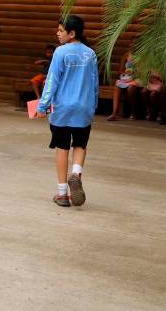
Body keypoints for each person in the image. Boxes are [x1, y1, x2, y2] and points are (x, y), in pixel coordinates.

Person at [36, 15, 99, 208]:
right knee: (80, 144)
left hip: (62, 109)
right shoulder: (90, 54)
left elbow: (52, 80)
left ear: (72, 34)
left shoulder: (60, 52)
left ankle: (62, 194)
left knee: (62, 148)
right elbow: (95, 83)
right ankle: (76, 174)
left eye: (61, 30)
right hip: (83, 109)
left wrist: (42, 106)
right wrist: (93, 106)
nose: (57, 33)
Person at [108, 51, 140, 121]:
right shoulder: (127, 55)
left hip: (137, 79)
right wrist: (125, 73)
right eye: (132, 43)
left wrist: (135, 73)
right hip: (127, 78)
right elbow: (121, 70)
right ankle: (115, 113)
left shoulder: (142, 54)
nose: (133, 45)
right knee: (117, 85)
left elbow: (144, 71)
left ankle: (133, 112)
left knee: (130, 88)